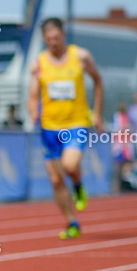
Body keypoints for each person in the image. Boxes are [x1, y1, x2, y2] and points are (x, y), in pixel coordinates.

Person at [27, 17, 103, 239]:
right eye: (49, 39)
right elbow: (32, 95)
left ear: (64, 36)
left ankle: (78, 184)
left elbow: (98, 81)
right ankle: (72, 222)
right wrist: (33, 110)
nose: (53, 43)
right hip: (49, 127)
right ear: (44, 39)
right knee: (55, 179)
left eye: (56, 38)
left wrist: (97, 112)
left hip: (75, 123)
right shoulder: (38, 63)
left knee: (69, 165)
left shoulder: (80, 56)